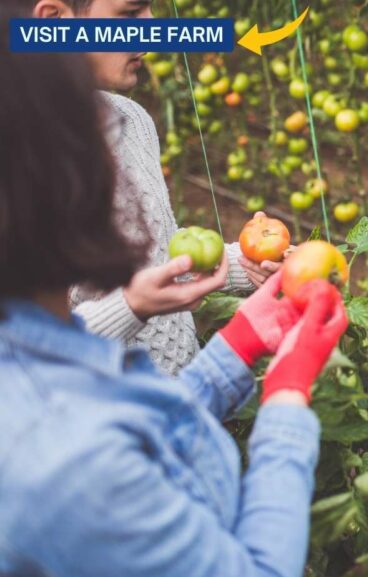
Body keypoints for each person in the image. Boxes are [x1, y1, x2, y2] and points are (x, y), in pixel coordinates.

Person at [0, 18, 347, 576]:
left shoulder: (37, 349)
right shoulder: (62, 459)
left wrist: (231, 353)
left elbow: (132, 431)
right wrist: (285, 399)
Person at [28, 0, 283, 376]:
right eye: (130, 15)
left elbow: (154, 253)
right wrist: (132, 307)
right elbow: (25, 351)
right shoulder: (22, 157)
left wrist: (247, 265)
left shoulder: (131, 121)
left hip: (174, 407)